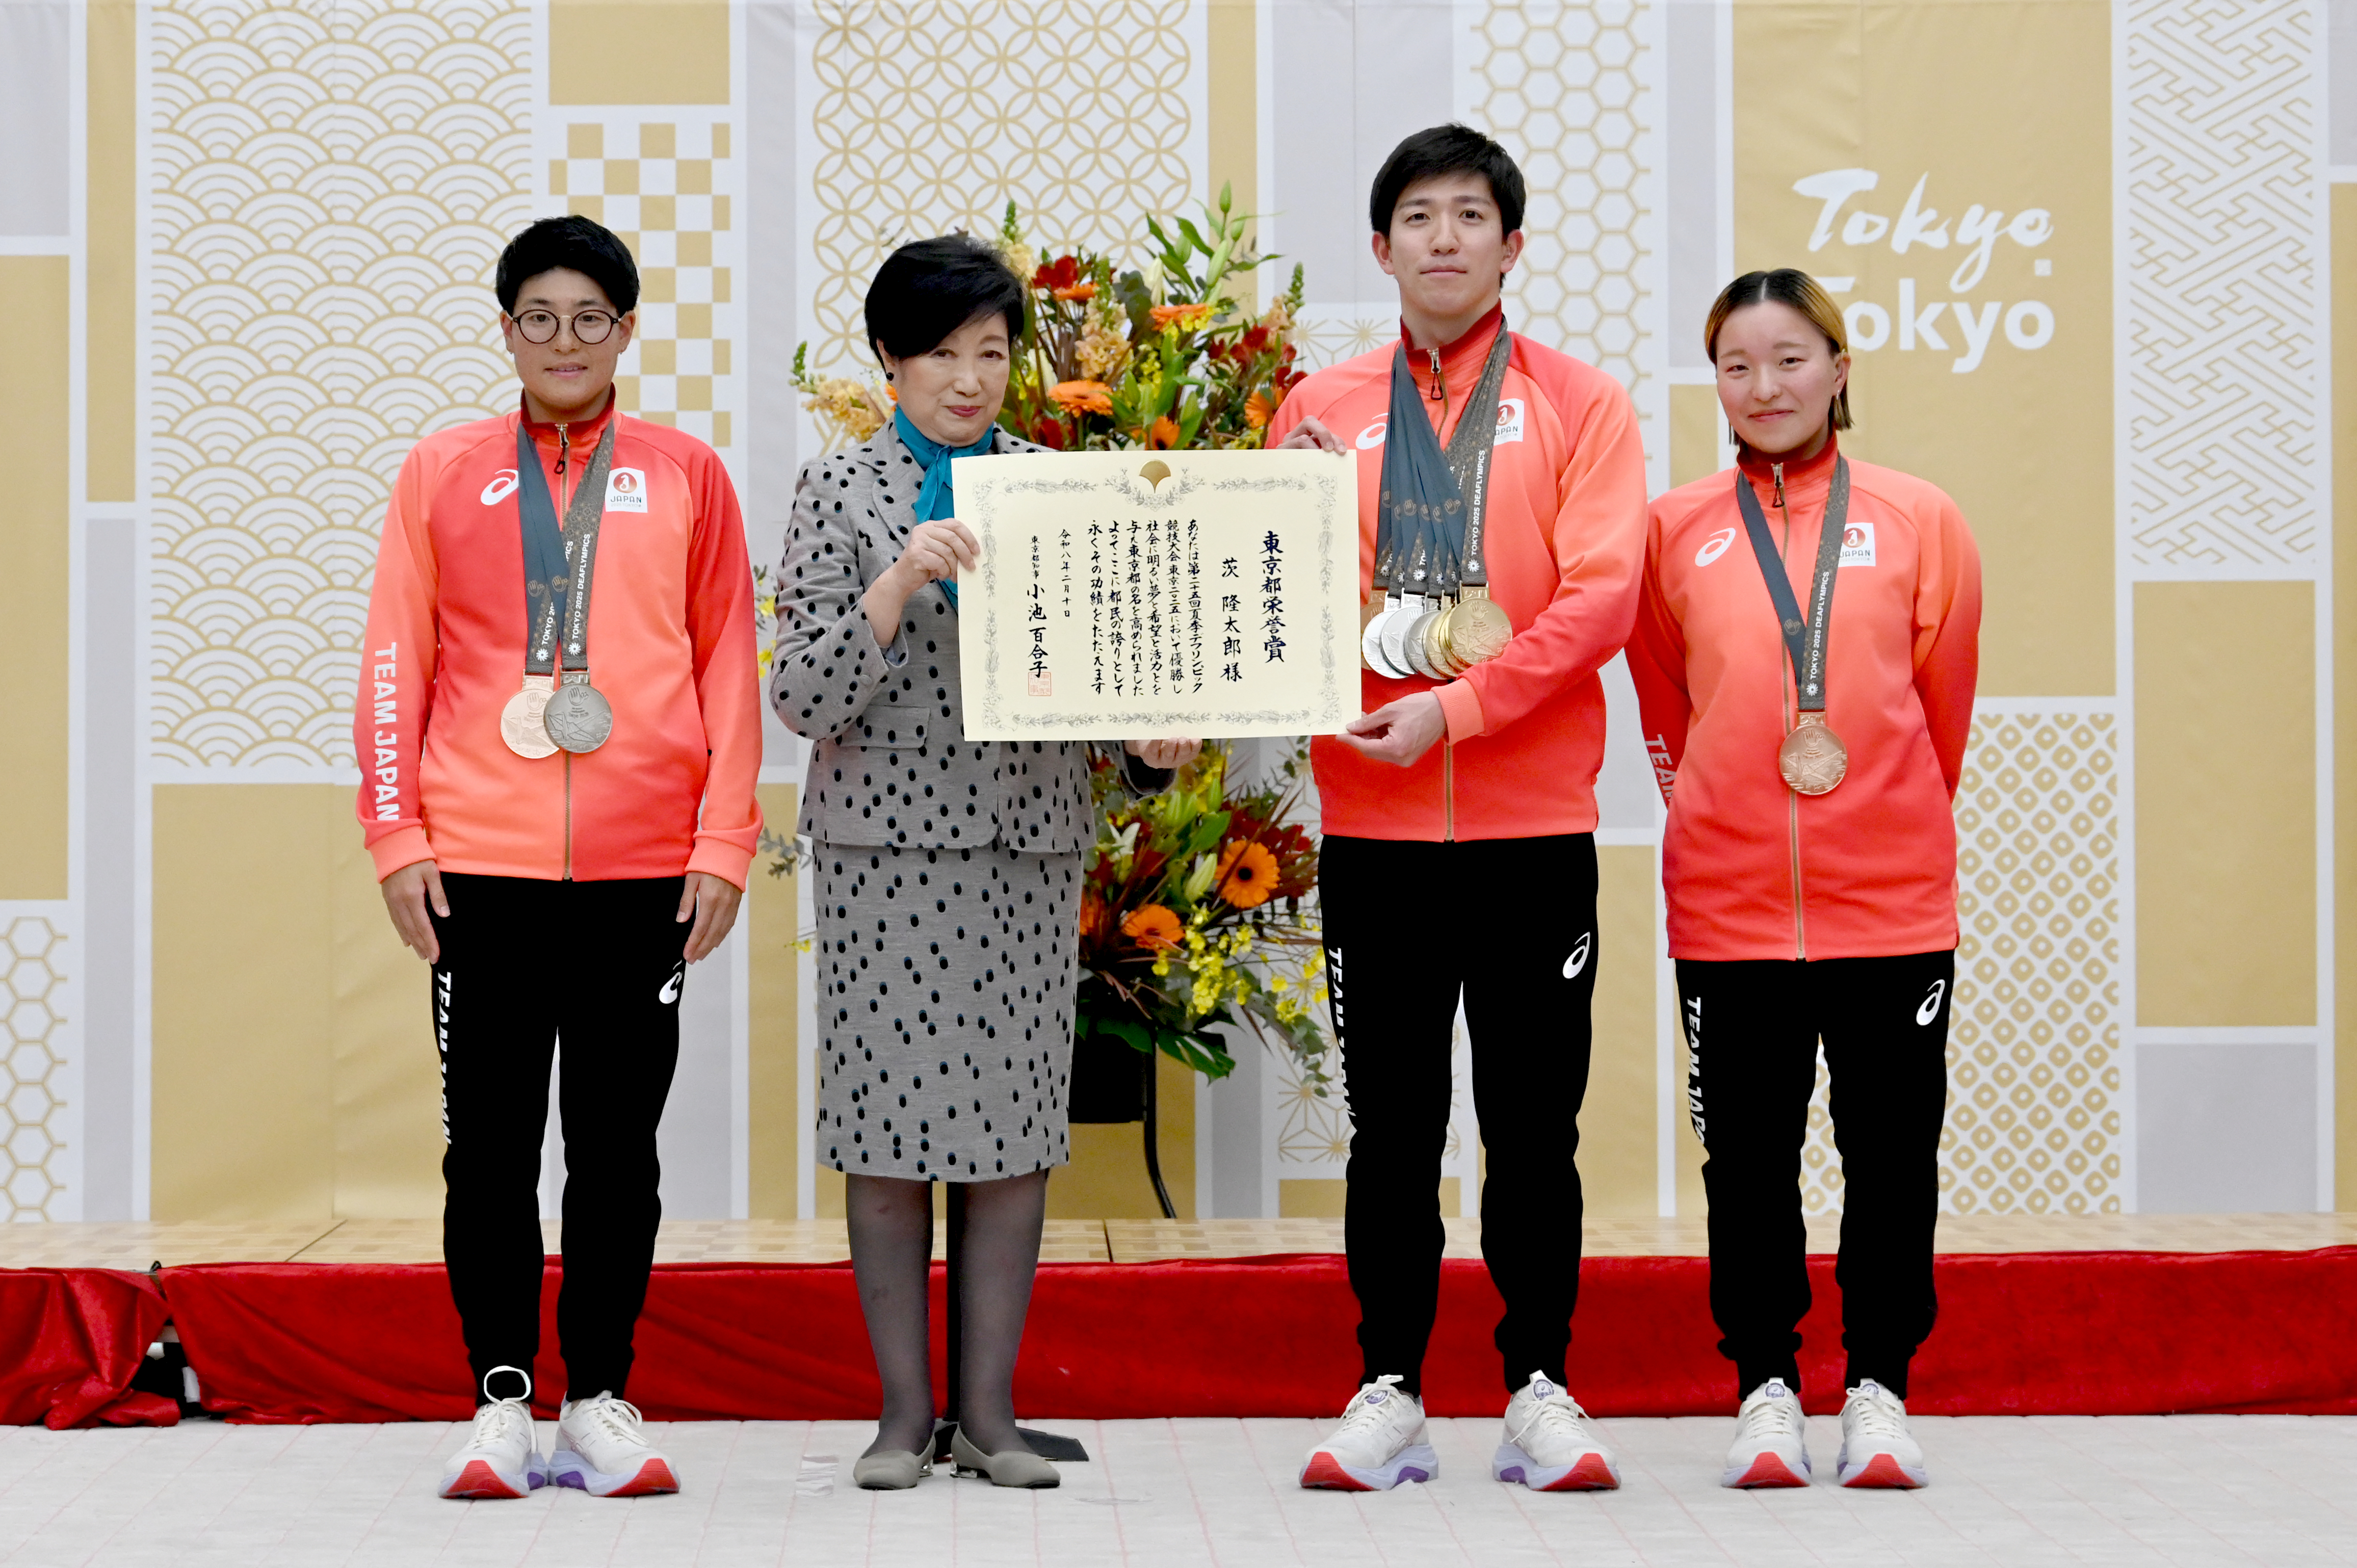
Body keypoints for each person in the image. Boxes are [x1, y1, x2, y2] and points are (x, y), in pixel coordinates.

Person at [769, 234, 1199, 1492]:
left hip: (1022, 848)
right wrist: (897, 579)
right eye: (943, 353)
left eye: (993, 353)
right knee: (887, 1132)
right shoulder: (837, 489)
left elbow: (1108, 690)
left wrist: (1152, 743)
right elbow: (801, 692)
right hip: (882, 855)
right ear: (890, 361)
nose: (970, 378)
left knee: (1013, 1134)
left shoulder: (1051, 487)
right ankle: (905, 1418)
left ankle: (992, 1418)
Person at [1266, 124, 1650, 1493]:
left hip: (1533, 826)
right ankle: (1390, 1385)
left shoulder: (1584, 404)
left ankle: (1541, 1384)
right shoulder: (1320, 405)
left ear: (1513, 243)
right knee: (1394, 1123)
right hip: (1374, 827)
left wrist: (1465, 706)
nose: (1442, 236)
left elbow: (1603, 595)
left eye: (1469, 214)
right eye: (1416, 216)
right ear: (1380, 247)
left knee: (1535, 1124)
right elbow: (1277, 593)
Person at [356, 214, 762, 1500]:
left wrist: (724, 840)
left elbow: (727, 667)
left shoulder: (687, 474)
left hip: (648, 866)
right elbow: (393, 660)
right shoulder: (442, 471)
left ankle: (598, 1392)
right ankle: (498, 1397)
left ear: (629, 330)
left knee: (617, 1144)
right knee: (485, 1145)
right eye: (540, 316)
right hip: (480, 863)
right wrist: (397, 833)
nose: (566, 340)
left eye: (592, 317)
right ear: (507, 330)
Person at [1628, 268, 1980, 1489]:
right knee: (1749, 1158)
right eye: (1735, 363)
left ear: (1837, 368)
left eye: (1788, 359)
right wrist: (1721, 819)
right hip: (1727, 910)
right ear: (1711, 381)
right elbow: (1665, 711)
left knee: (1891, 1155)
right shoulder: (1674, 529)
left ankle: (1877, 1388)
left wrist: (1876, 820)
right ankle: (1765, 1387)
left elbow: (1942, 710)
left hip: (1889, 903)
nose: (1762, 386)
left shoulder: (1919, 515)